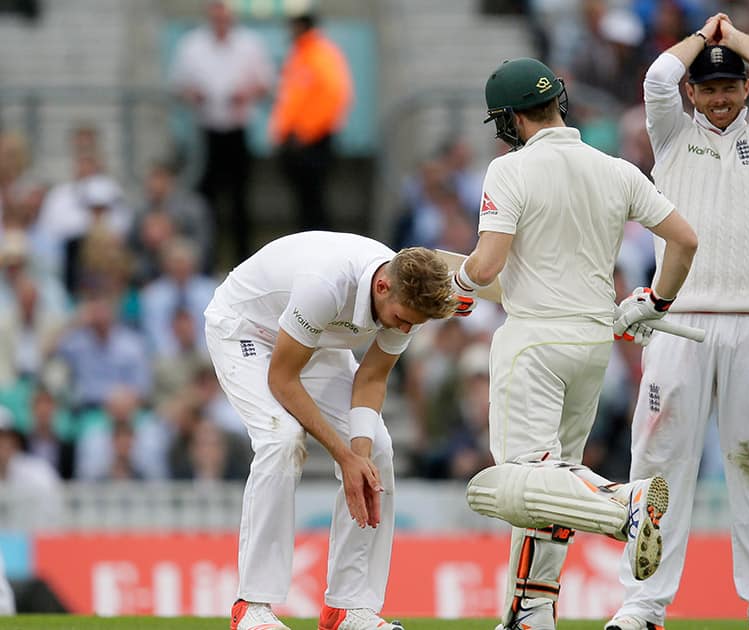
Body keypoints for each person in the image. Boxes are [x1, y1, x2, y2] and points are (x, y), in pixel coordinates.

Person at [456, 57, 698, 630]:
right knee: (555, 474)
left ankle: (622, 506)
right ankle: (532, 611)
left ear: (510, 120)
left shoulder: (508, 171)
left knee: (514, 483)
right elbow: (685, 240)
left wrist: (457, 285)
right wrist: (655, 301)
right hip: (594, 346)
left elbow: (488, 263)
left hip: (533, 341)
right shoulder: (614, 168)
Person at [607, 14, 749, 630]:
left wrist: (733, 39)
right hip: (679, 322)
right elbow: (656, 77)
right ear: (692, 94)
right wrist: (704, 37)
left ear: (746, 89)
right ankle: (642, 604)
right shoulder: (671, 135)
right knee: (659, 464)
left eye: (730, 87)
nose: (720, 99)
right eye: (709, 89)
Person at [205, 233, 455, 630]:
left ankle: (347, 607)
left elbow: (372, 378)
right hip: (246, 330)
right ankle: (252, 606)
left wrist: (359, 458)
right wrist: (343, 455)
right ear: (381, 286)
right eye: (402, 319)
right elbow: (284, 379)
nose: (405, 327)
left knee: (380, 451)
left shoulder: (406, 297)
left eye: (413, 324)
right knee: (282, 439)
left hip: (316, 341)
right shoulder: (326, 284)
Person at [170, 0, 274, 264]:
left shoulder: (250, 44)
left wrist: (245, 94)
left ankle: (243, 258)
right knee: (206, 199)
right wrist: (194, 94)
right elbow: (178, 85)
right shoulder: (192, 45)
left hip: (237, 130)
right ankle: (206, 257)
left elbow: (266, 83)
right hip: (205, 131)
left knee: (240, 197)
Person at [270, 12, 354, 231]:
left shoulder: (320, 54)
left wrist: (305, 132)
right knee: (304, 201)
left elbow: (332, 96)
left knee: (314, 199)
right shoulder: (301, 53)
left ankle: (321, 246)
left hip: (312, 141)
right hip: (297, 140)